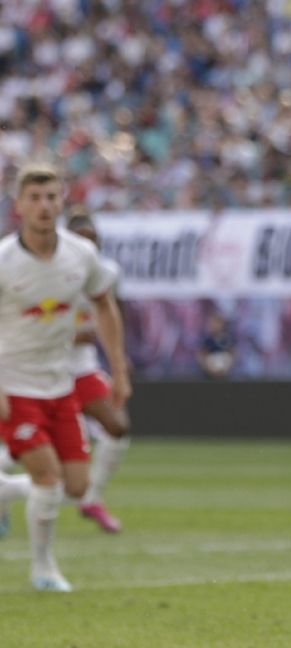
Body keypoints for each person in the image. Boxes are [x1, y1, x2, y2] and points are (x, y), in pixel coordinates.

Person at [0, 163, 132, 591]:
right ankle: (44, 570)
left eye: (51, 197)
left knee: (76, 485)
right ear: (19, 205)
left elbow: (104, 305)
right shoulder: (4, 260)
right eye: (34, 198)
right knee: (48, 477)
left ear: (62, 201)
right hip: (14, 386)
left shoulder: (81, 254)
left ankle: (6, 491)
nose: (44, 206)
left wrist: (118, 368)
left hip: (61, 385)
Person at [65, 210, 131, 533]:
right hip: (42, 369)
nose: (88, 247)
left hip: (82, 366)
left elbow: (111, 312)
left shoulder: (107, 273)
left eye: (93, 241)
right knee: (21, 451)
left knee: (117, 427)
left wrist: (119, 359)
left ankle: (91, 499)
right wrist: (71, 335)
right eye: (81, 240)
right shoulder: (49, 272)